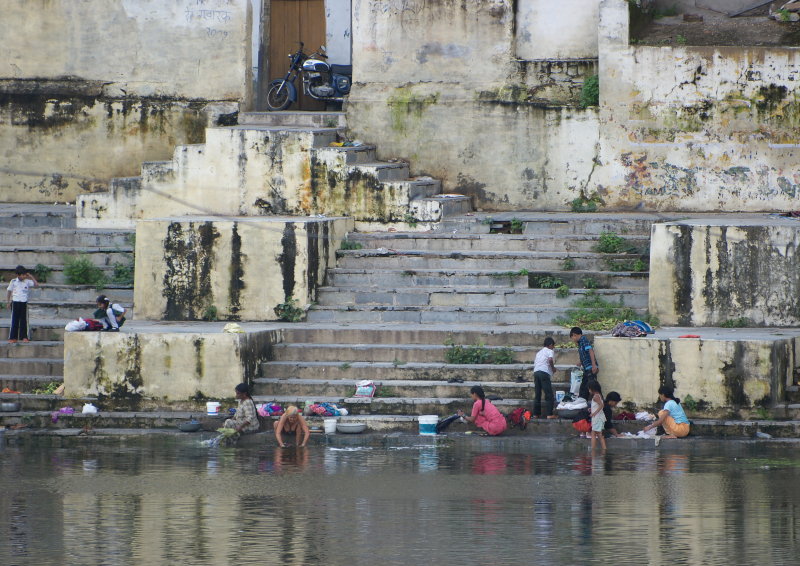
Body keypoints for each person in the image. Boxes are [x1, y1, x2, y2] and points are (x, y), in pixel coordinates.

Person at [6, 265, 38, 343]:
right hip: (15, 302)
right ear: (18, 275)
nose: (24, 276)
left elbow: (36, 285)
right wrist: (8, 302)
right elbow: (9, 291)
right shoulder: (13, 281)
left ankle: (24, 336)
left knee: (24, 320)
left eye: (24, 275)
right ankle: (13, 337)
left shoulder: (27, 282)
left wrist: (31, 276)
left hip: (23, 302)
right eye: (22, 275)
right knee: (14, 320)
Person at [532, 337, 558, 419]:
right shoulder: (550, 351)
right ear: (550, 345)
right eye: (553, 346)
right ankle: (549, 414)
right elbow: (550, 360)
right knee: (549, 394)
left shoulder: (539, 353)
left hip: (536, 373)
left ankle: (536, 414)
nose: (553, 348)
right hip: (544, 373)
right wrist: (553, 368)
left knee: (538, 393)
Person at [570, 327, 598, 401]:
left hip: (590, 367)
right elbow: (584, 354)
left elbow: (590, 351)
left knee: (592, 387)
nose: (573, 340)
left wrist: (594, 365)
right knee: (584, 387)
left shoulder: (583, 340)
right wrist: (580, 362)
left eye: (572, 338)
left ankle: (599, 403)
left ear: (574, 335)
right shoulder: (580, 343)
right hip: (586, 368)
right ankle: (582, 402)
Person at [587, 380, 606, 451]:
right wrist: (591, 409)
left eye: (589, 389)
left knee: (596, 434)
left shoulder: (595, 397)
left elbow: (601, 405)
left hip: (597, 418)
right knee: (598, 434)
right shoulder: (598, 395)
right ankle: (603, 449)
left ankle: (594, 449)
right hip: (598, 418)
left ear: (592, 389)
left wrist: (594, 413)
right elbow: (597, 405)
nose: (588, 390)